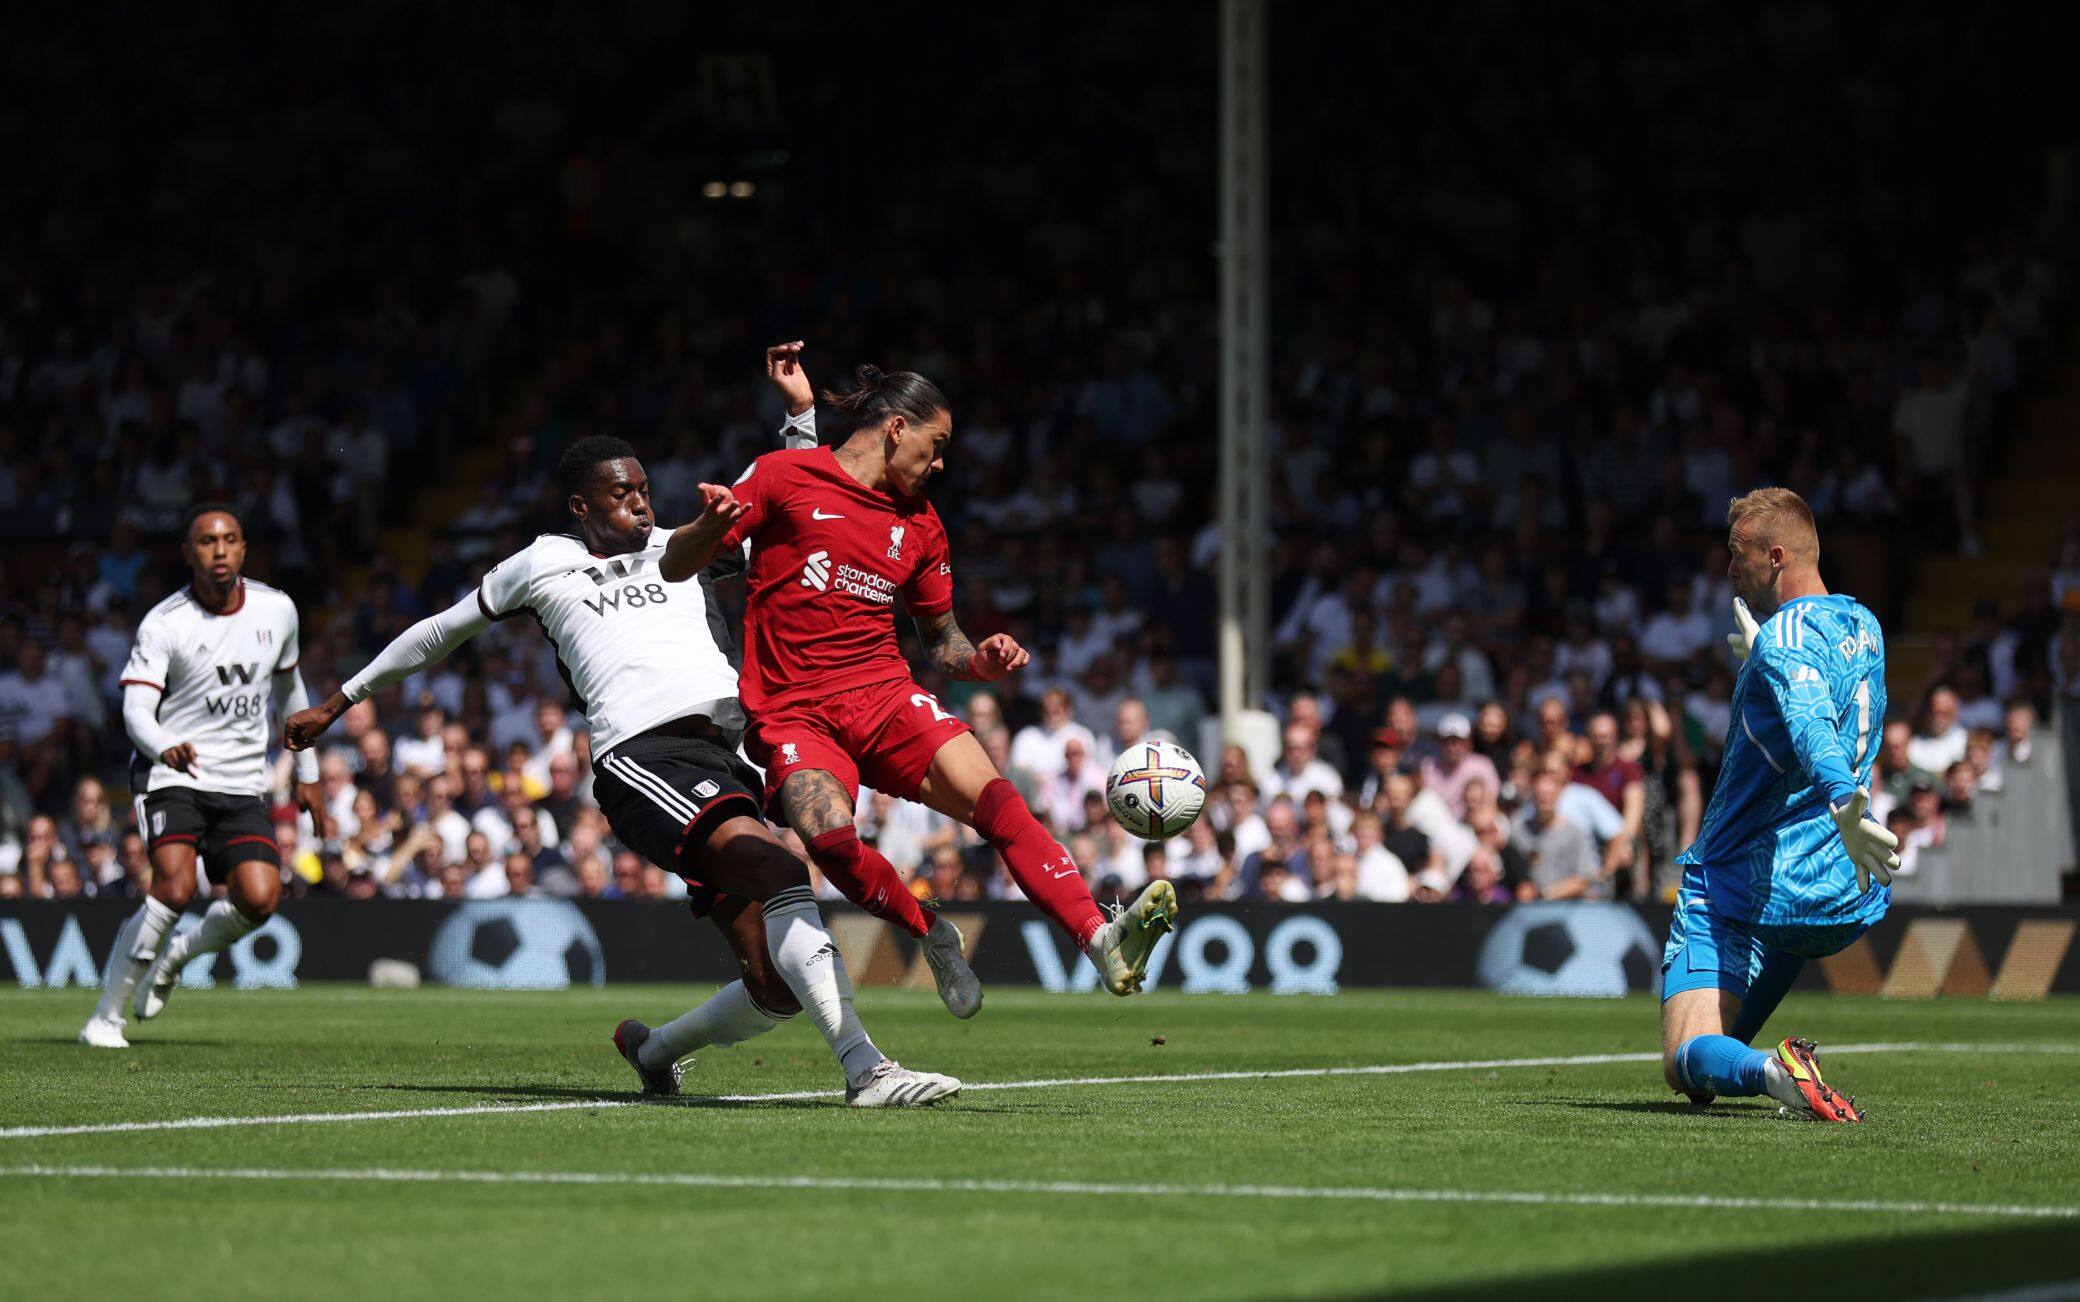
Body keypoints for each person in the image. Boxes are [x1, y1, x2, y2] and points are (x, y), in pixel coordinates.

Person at [287, 431, 958, 1107]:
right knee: (782, 872)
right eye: (621, 493)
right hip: (642, 757)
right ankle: (866, 1071)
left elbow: (803, 516)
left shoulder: (683, 546)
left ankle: (652, 1050)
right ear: (581, 506)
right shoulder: (542, 564)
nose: (640, 504)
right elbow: (440, 630)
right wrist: (340, 700)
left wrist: (799, 418)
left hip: (726, 760)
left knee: (775, 986)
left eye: (644, 489)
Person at [710, 343, 1175, 997]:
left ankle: (1098, 937)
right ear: (897, 428)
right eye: (937, 442)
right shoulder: (786, 478)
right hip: (794, 713)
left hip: (884, 696)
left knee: (997, 800)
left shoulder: (922, 524)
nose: (942, 460)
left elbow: (941, 639)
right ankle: (929, 929)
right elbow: (712, 548)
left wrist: (979, 659)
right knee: (831, 843)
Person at [1661, 488, 1899, 1123]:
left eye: (1737, 557)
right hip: (1833, 891)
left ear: (1774, 557)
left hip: (1743, 879)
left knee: (1686, 1061)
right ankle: (1756, 1063)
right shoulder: (1863, 623)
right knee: (1721, 1049)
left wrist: (1843, 800)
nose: (1729, 570)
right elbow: (1819, 692)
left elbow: (1810, 719)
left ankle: (1777, 1071)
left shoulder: (1785, 639)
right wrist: (1759, 663)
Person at [79, 505, 332, 1049]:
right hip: (174, 774)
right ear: (187, 552)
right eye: (206, 541)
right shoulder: (165, 622)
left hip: (242, 782)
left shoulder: (277, 610)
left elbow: (292, 696)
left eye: (230, 539)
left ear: (244, 549)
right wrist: (164, 746)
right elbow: (135, 712)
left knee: (261, 899)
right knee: (172, 886)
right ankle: (105, 1018)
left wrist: (307, 773)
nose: (219, 550)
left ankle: (176, 956)